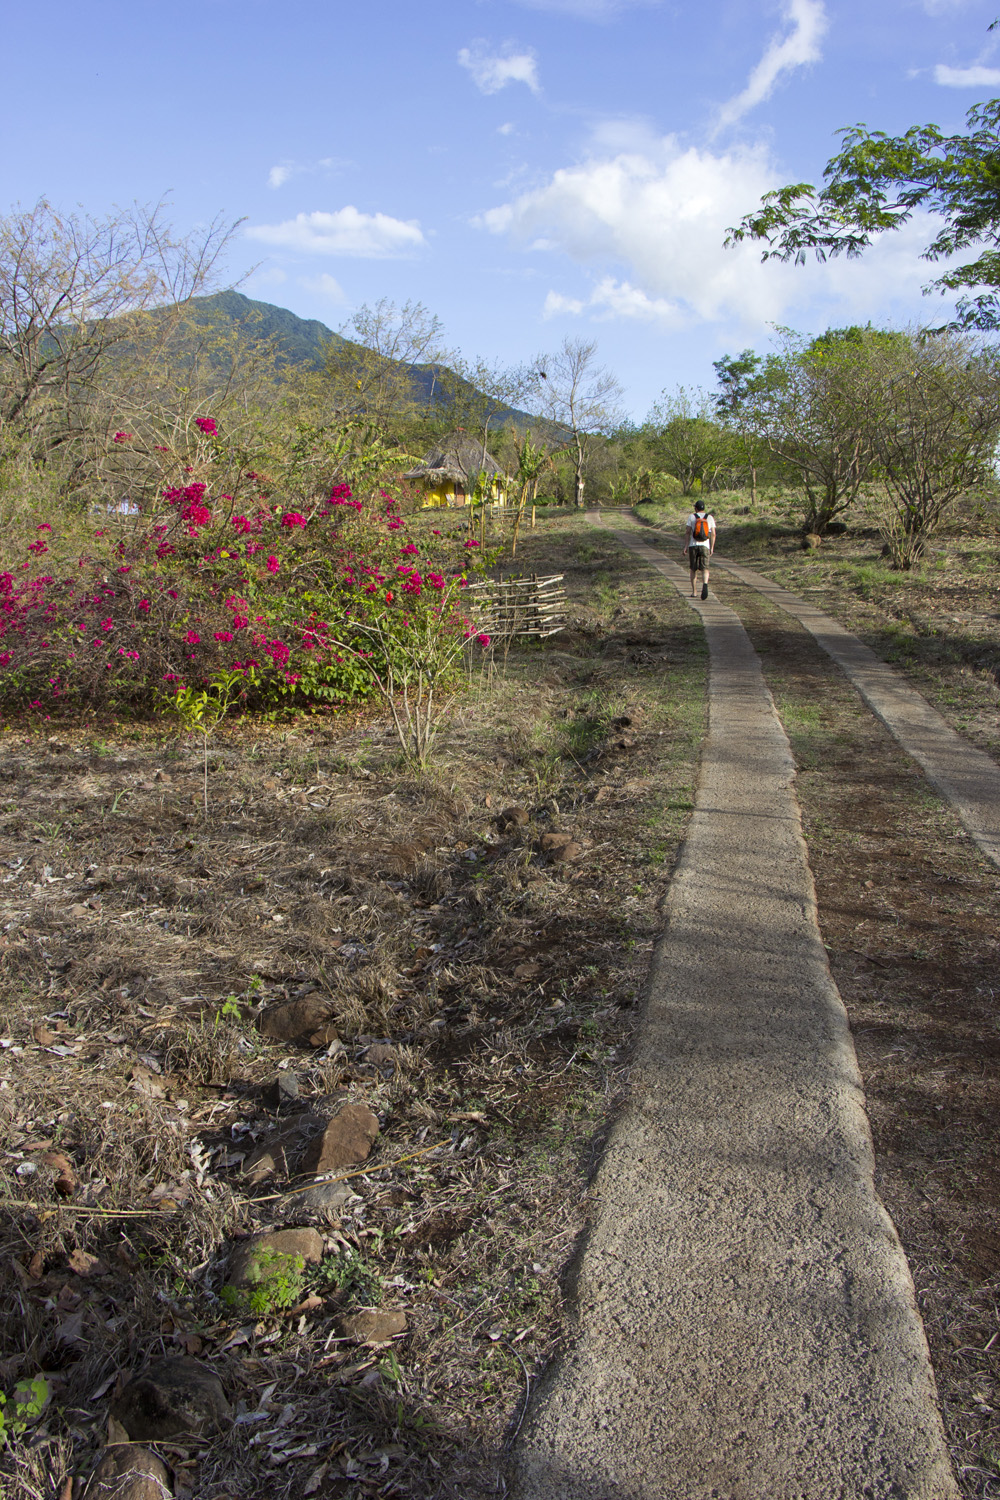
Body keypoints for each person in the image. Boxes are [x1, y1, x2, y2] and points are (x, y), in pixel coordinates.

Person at [683, 499, 715, 599]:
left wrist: (686, 545)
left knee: (693, 569)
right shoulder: (709, 517)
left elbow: (688, 532)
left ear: (696, 508)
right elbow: (713, 534)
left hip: (693, 545)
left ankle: (694, 592)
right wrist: (712, 547)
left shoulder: (692, 517)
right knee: (705, 568)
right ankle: (705, 583)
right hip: (705, 546)